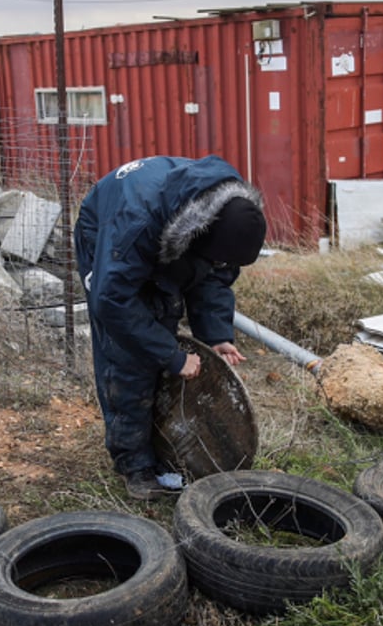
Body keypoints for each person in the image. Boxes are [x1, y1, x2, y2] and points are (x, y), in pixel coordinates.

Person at [74, 155, 267, 500]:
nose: (221, 265)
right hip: (109, 230)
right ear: (198, 239)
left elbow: (216, 276)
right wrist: (170, 355)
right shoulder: (135, 225)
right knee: (129, 353)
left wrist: (216, 334)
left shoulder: (230, 211)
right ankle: (135, 464)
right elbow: (112, 302)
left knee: (160, 318)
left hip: (166, 227)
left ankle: (160, 440)